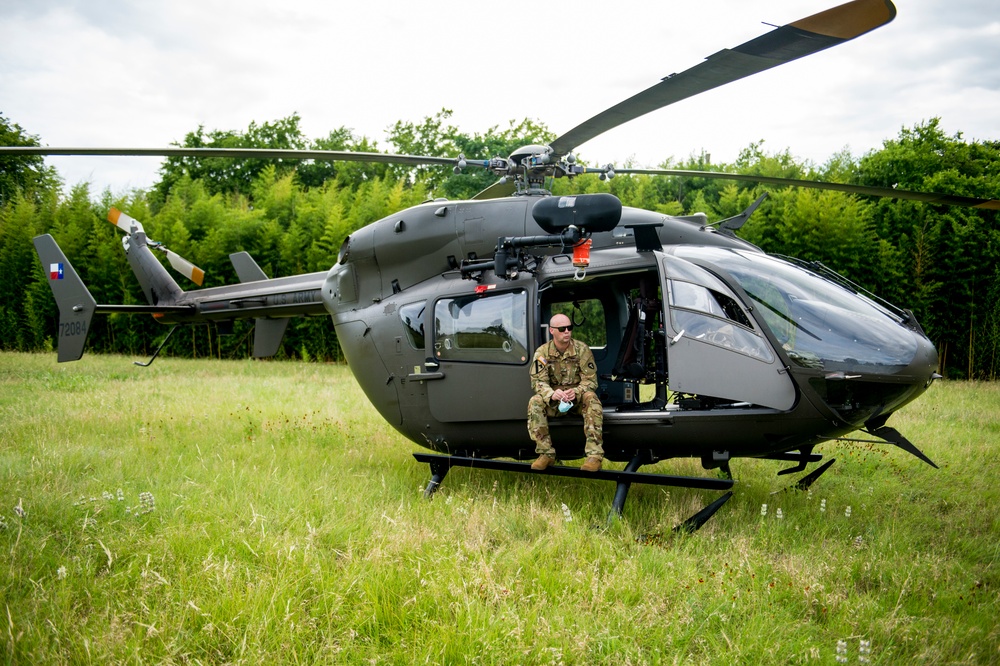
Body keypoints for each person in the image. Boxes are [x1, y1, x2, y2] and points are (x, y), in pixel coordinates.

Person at [528, 313, 604, 472]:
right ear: (552, 331)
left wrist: (576, 392)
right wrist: (551, 394)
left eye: (569, 328)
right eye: (562, 329)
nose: (567, 332)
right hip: (554, 402)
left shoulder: (582, 350)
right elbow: (537, 381)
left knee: (591, 398)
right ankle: (546, 453)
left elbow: (591, 380)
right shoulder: (542, 353)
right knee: (535, 401)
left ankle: (594, 456)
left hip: (576, 401)